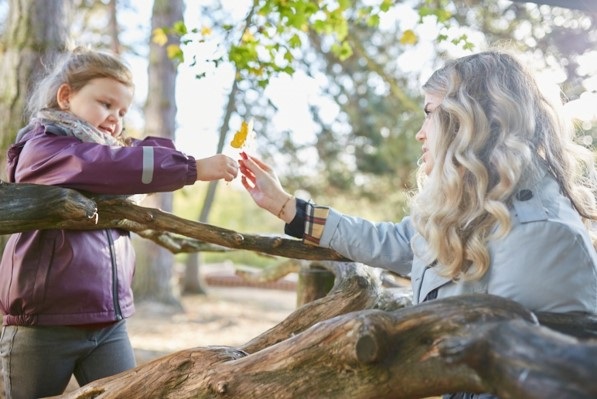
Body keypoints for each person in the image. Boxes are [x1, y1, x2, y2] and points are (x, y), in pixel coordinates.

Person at [239, 50, 597, 398]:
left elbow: (535, 377)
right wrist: (288, 208)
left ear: (470, 122)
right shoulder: (469, 208)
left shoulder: (543, 238)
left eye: (429, 114)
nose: (420, 134)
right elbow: (393, 241)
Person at [0, 46, 238, 398]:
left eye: (123, 111)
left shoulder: (106, 149)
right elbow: (106, 165)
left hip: (108, 321)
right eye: (106, 104)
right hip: (45, 323)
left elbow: (129, 156)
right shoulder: (44, 150)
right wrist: (191, 168)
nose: (115, 118)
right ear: (65, 96)